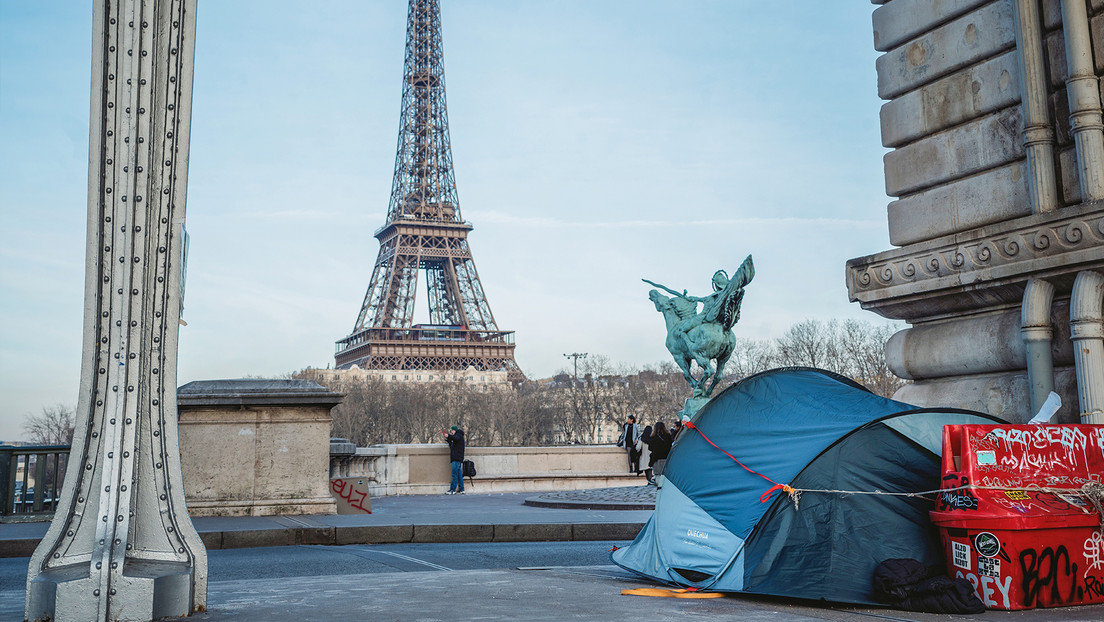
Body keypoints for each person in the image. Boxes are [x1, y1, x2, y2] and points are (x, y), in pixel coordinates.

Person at [443, 425, 465, 494]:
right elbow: (452, 444)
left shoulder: (459, 435)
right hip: (457, 457)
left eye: (452, 431)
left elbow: (455, 438)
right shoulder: (457, 437)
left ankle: (453, 490)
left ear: (454, 430)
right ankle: (462, 489)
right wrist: (448, 439)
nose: (451, 432)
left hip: (456, 458)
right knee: (459, 474)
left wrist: (448, 436)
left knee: (454, 474)